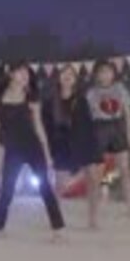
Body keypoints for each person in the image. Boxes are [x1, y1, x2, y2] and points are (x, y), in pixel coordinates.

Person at [0, 62, 65, 239]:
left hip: (32, 147)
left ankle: (57, 228)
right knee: (7, 188)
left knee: (45, 187)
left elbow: (38, 126)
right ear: (11, 74)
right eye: (21, 72)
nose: (25, 76)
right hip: (12, 148)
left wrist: (47, 154)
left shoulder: (31, 97)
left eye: (27, 73)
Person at [85, 61, 130, 223]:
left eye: (108, 71)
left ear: (113, 74)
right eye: (102, 72)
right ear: (96, 75)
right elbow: (87, 117)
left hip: (117, 127)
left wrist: (129, 135)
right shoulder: (91, 93)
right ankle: (94, 215)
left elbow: (128, 114)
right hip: (99, 128)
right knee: (97, 175)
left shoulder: (120, 88)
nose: (105, 75)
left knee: (125, 170)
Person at [42, 63, 97, 201]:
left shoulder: (81, 101)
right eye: (64, 73)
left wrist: (87, 146)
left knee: (89, 174)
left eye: (71, 74)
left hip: (76, 143)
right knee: (59, 184)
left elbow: (87, 126)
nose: (67, 76)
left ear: (75, 79)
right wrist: (46, 149)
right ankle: (55, 209)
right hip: (57, 145)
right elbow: (45, 126)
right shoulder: (50, 101)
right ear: (58, 77)